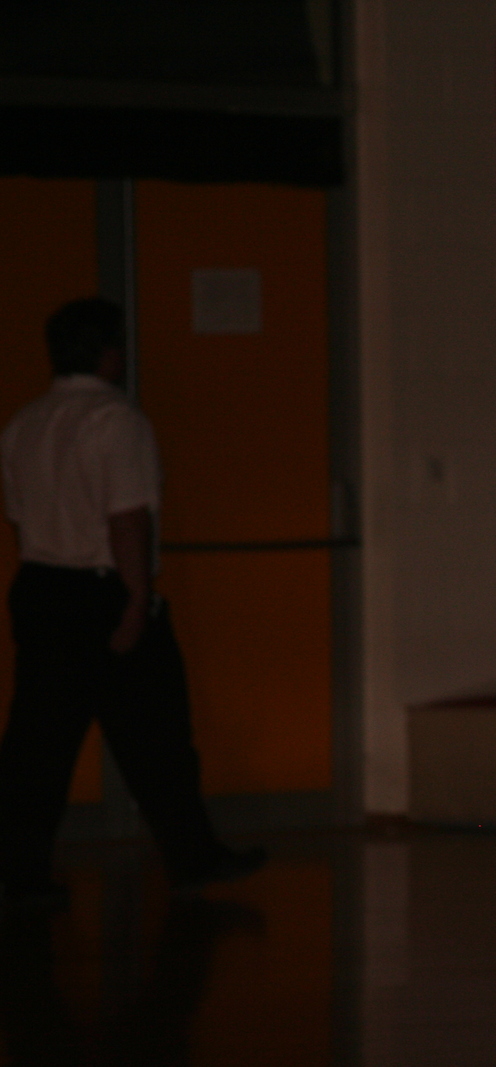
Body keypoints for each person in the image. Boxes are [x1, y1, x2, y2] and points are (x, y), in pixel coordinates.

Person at [0, 298, 265, 905]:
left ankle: (20, 871)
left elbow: (20, 517)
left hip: (41, 587)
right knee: (157, 736)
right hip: (102, 589)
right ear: (107, 352)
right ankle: (193, 858)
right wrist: (137, 598)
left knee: (38, 743)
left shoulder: (23, 424)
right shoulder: (116, 420)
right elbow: (126, 518)